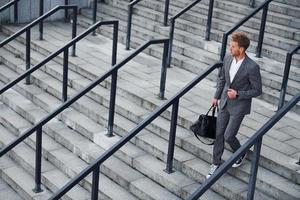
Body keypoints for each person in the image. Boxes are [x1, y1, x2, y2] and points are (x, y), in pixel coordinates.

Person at [206, 32, 262, 179]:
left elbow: (257, 90)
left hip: (239, 106)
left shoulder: (252, 67)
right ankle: (215, 163)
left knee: (229, 136)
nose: (230, 49)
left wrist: (238, 94)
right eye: (230, 46)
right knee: (219, 134)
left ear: (242, 49)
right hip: (224, 102)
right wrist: (216, 96)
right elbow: (222, 78)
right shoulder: (228, 58)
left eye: (233, 46)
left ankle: (241, 152)